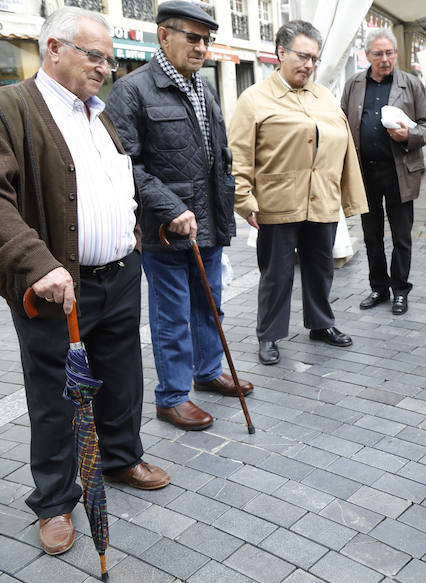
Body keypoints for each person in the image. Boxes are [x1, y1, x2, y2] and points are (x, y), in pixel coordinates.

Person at [0, 7, 169, 557]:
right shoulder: (13, 107)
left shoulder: (100, 113)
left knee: (123, 376)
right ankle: (54, 500)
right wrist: (36, 262)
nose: (105, 67)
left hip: (120, 273)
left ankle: (120, 458)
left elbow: (117, 178)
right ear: (53, 48)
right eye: (93, 55)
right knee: (55, 396)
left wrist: (151, 221)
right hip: (55, 286)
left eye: (108, 58)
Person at [105, 0, 249, 432]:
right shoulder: (132, 90)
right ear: (164, 35)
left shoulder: (201, 87)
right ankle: (171, 397)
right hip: (165, 230)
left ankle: (207, 372)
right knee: (171, 316)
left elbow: (216, 158)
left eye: (207, 39)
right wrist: (172, 210)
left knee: (210, 305)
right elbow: (126, 164)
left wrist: (230, 205)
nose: (202, 46)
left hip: (209, 223)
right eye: (193, 37)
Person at [229, 20, 367, 366]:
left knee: (321, 268)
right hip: (276, 203)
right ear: (280, 53)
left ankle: (321, 324)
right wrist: (244, 200)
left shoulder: (323, 95)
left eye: (314, 59)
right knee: (276, 274)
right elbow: (239, 154)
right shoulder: (254, 99)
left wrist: (349, 197)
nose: (309, 64)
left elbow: (345, 146)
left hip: (322, 200)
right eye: (302, 56)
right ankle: (270, 335)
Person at [341, 28, 426, 317]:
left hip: (400, 172)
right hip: (365, 172)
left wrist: (408, 135)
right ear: (366, 55)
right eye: (378, 54)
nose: (385, 59)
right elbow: (342, 122)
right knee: (371, 235)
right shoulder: (354, 83)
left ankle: (400, 290)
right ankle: (378, 287)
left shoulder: (411, 83)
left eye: (390, 53)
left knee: (401, 235)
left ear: (396, 53)